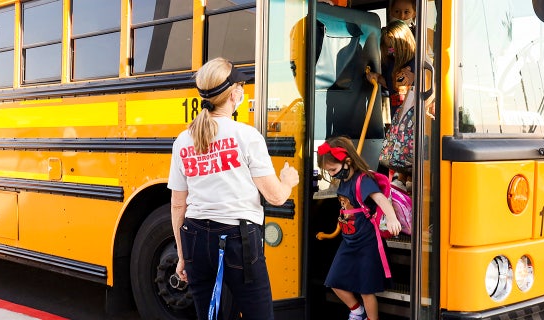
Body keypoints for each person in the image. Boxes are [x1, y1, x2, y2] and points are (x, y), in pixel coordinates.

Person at [167, 57, 300, 320]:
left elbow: (178, 204)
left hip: (194, 238)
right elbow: (275, 196)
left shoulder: (183, 140)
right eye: (240, 86)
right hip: (239, 240)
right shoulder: (247, 136)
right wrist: (288, 179)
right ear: (234, 95)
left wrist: (182, 256)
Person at [316, 136, 402, 320]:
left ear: (347, 162)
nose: (331, 174)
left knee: (366, 290)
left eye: (333, 169)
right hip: (349, 241)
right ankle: (356, 311)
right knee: (334, 281)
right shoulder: (344, 181)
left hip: (367, 242)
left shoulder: (362, 180)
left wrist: (392, 217)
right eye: (328, 171)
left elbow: (379, 198)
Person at [366, 20, 416, 121]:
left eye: (396, 47)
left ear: (406, 42)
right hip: (396, 116)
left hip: (413, 116)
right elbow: (390, 85)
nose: (393, 52)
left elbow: (428, 89)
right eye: (390, 49)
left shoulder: (415, 62)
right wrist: (378, 78)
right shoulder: (390, 63)